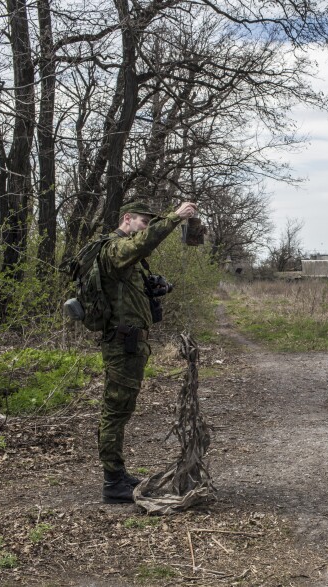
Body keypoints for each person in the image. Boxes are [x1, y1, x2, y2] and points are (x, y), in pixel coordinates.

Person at [98, 199, 197, 504]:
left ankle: (119, 475)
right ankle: (112, 481)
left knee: (123, 408)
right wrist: (172, 218)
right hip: (121, 343)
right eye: (143, 222)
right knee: (115, 410)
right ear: (126, 219)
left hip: (133, 343)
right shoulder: (113, 248)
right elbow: (141, 244)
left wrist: (155, 288)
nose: (146, 228)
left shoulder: (131, 258)